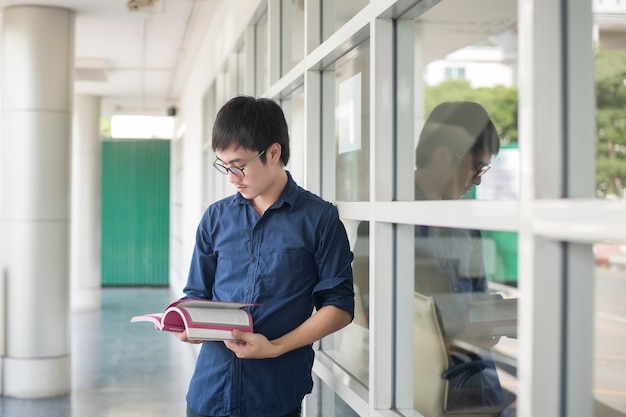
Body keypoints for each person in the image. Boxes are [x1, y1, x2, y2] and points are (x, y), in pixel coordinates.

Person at [175, 95, 355, 417]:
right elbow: (197, 295)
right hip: (209, 393)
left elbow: (339, 307)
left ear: (273, 152)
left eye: (239, 166)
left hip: (273, 397)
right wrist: (191, 326)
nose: (231, 178)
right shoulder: (215, 218)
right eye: (223, 166)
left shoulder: (319, 219)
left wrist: (274, 348)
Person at [412, 101, 515, 415]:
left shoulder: (464, 224)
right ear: (444, 155)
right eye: (477, 167)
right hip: (425, 396)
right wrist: (460, 344)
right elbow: (375, 330)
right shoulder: (387, 223)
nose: (479, 180)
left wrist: (501, 313)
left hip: (480, 388)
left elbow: (473, 297)